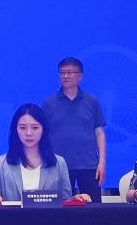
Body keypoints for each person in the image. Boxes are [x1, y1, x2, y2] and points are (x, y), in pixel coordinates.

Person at [0, 104, 91, 204]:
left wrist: (75, 199)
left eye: (35, 128)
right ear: (15, 130)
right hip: (12, 217)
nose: (29, 133)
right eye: (23, 128)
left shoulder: (59, 163)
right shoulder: (1, 164)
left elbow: (64, 202)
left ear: (43, 130)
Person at [41, 56, 107, 203]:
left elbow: (99, 133)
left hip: (89, 164)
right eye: (62, 72)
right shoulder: (49, 103)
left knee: (94, 208)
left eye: (70, 72)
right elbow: (42, 134)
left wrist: (102, 162)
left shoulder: (92, 101)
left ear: (80, 76)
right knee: (60, 208)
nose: (65, 76)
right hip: (58, 165)